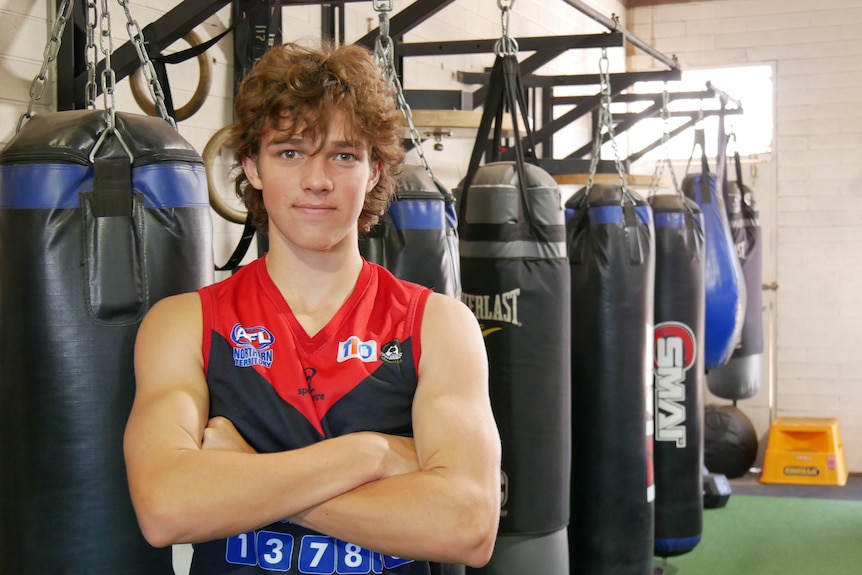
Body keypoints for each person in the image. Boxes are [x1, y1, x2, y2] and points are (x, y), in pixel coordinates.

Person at [123, 40, 501, 575]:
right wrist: (369, 455)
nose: (317, 181)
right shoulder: (186, 324)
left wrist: (247, 477)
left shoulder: (436, 326)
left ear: (373, 171)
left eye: (343, 155)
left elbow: (467, 526)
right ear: (252, 166)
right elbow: (166, 509)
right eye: (290, 152)